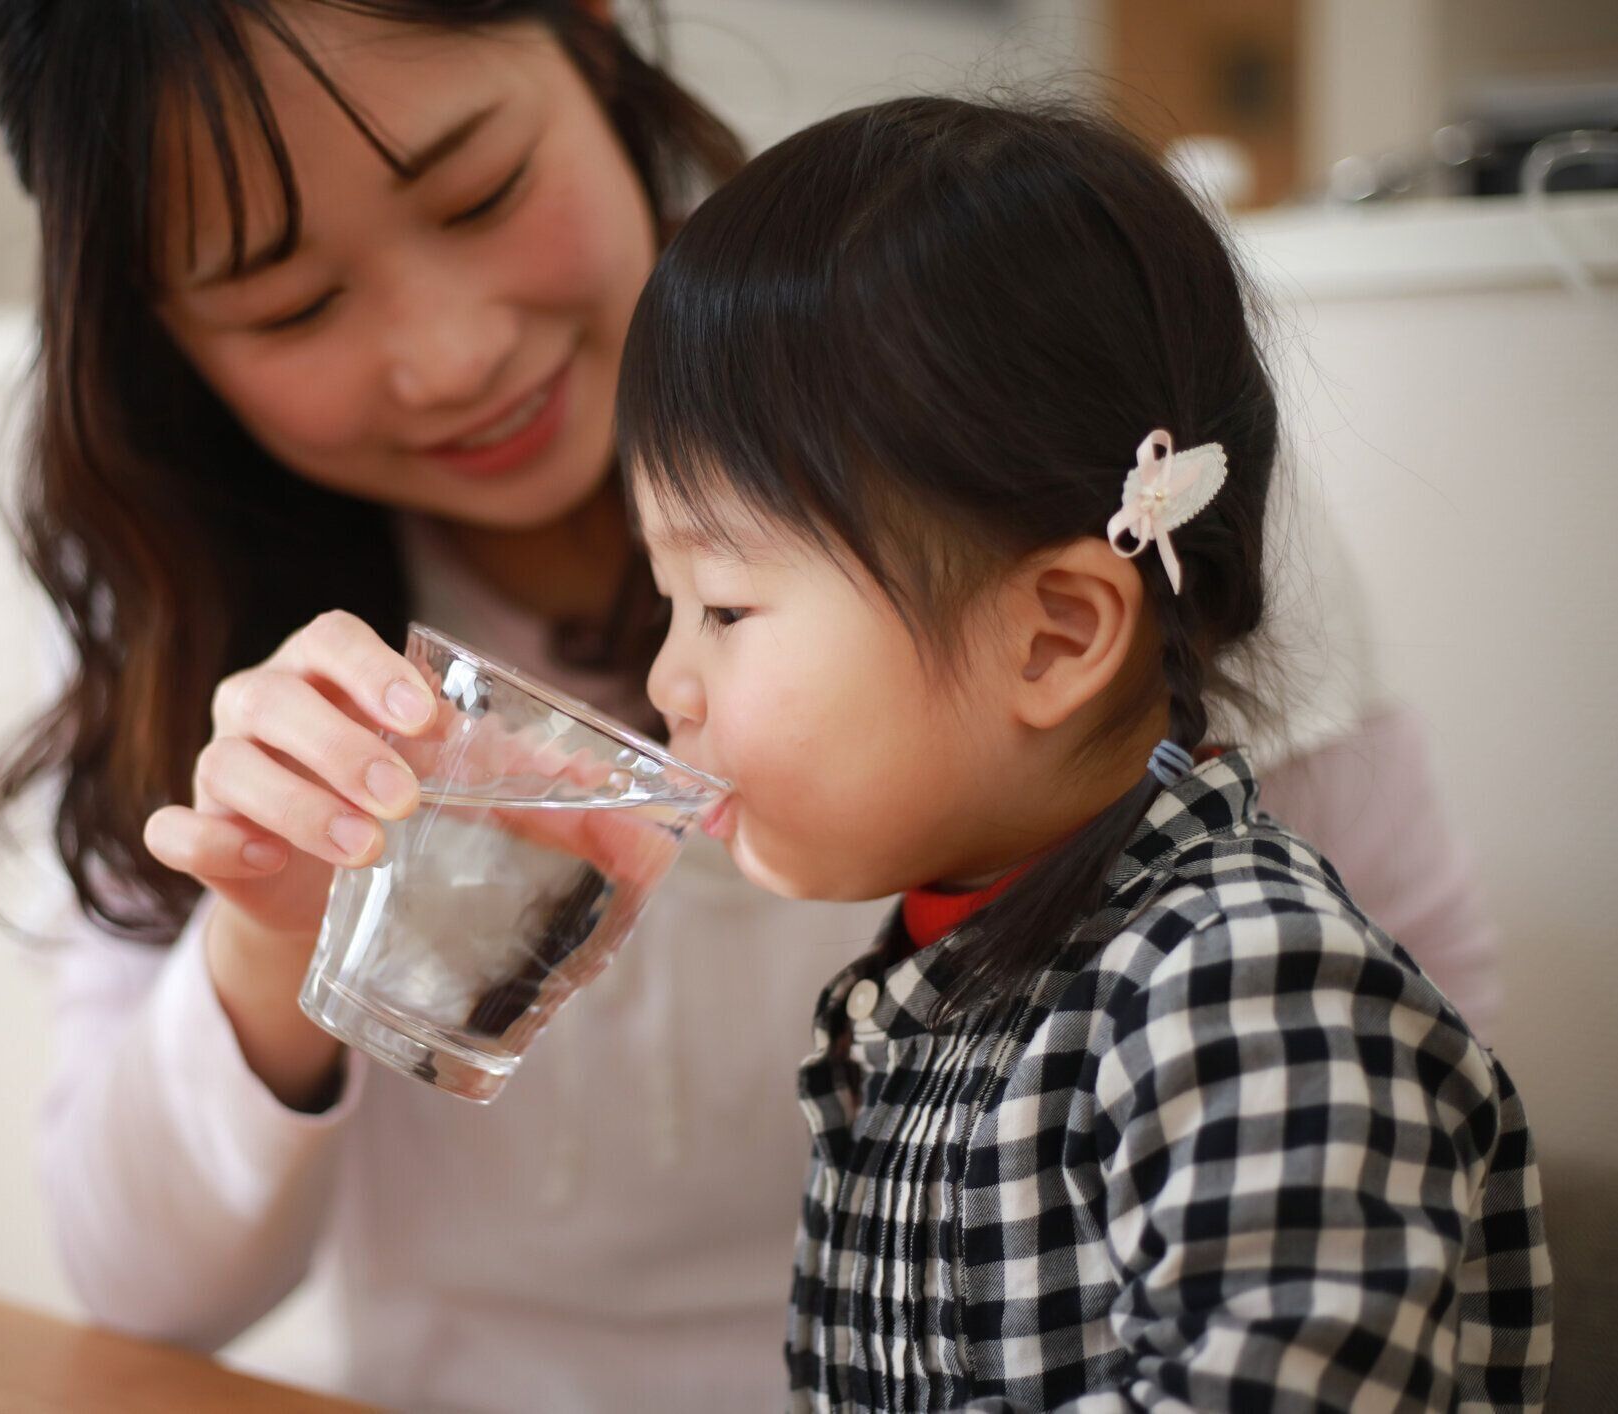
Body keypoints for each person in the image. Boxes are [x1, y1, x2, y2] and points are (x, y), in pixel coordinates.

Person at [0, 3, 1506, 1408]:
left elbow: (1369, 1179)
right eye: (289, 304)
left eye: (479, 192)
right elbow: (144, 1297)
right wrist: (270, 932)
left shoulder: (1101, 467)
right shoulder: (176, 589)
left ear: (590, 38)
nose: (450, 355)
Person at [615, 95, 1552, 1410]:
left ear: (1054, 636)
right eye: (666, 602)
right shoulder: (956, 980)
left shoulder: (1243, 986)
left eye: (722, 607)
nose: (666, 682)